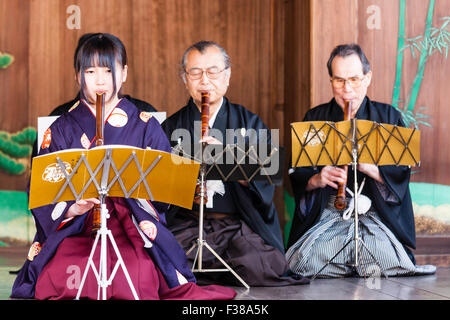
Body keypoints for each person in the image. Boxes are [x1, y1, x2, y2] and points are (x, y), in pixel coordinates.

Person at [11, 33, 236, 300]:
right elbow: (41, 188)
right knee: (61, 273)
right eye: (90, 70)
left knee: (136, 272)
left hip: (130, 222)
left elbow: (165, 184)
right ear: (77, 75)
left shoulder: (144, 123)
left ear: (124, 72)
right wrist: (73, 206)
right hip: (78, 225)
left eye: (109, 70)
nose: (100, 80)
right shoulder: (60, 128)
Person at [161, 40, 309, 287]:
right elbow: (159, 188)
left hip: (235, 227)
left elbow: (266, 182)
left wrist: (228, 158)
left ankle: (207, 271)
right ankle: (215, 270)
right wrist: (187, 186)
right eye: (195, 73)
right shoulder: (171, 127)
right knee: (158, 258)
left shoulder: (250, 123)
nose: (204, 81)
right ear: (184, 79)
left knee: (262, 265)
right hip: (188, 225)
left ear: (227, 76)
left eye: (213, 71)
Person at [285, 43, 436, 278]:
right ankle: (350, 264)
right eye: (339, 80)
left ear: (367, 78)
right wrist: (318, 178)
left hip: (373, 213)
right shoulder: (315, 118)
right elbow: (297, 174)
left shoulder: (388, 117)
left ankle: (348, 265)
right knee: (305, 264)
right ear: (331, 81)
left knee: (387, 258)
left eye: (354, 79)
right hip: (332, 211)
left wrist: (370, 167)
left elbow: (400, 175)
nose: (347, 89)